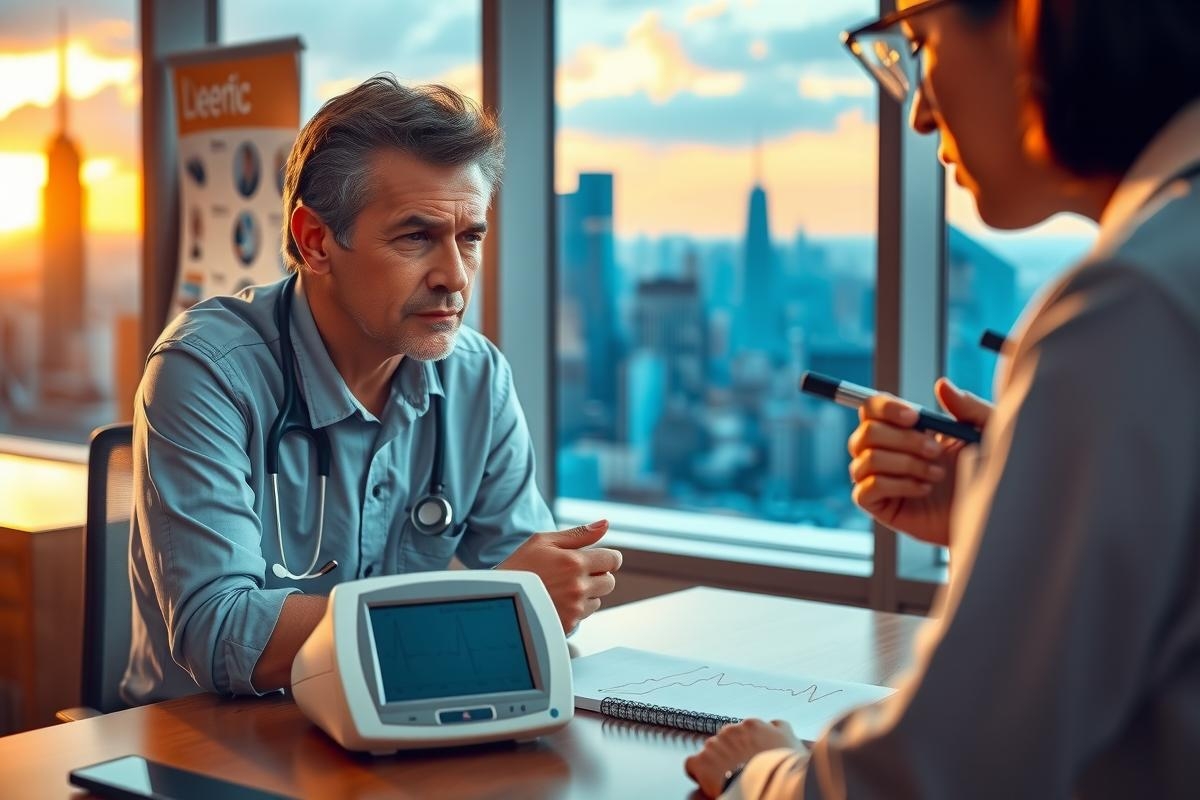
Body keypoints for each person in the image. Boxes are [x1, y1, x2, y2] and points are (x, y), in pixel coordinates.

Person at [686, 0, 1200, 796]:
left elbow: (944, 777)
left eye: (919, 45)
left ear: (1032, 22)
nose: (920, 113)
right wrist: (997, 506)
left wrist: (762, 776)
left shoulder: (1130, 304)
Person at [123, 76, 622, 704]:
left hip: (397, 719)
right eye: (416, 237)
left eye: (470, 237)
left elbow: (536, 592)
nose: (454, 277)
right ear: (316, 241)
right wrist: (489, 601)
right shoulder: (207, 370)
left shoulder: (476, 376)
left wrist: (535, 591)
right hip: (211, 740)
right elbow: (221, 634)